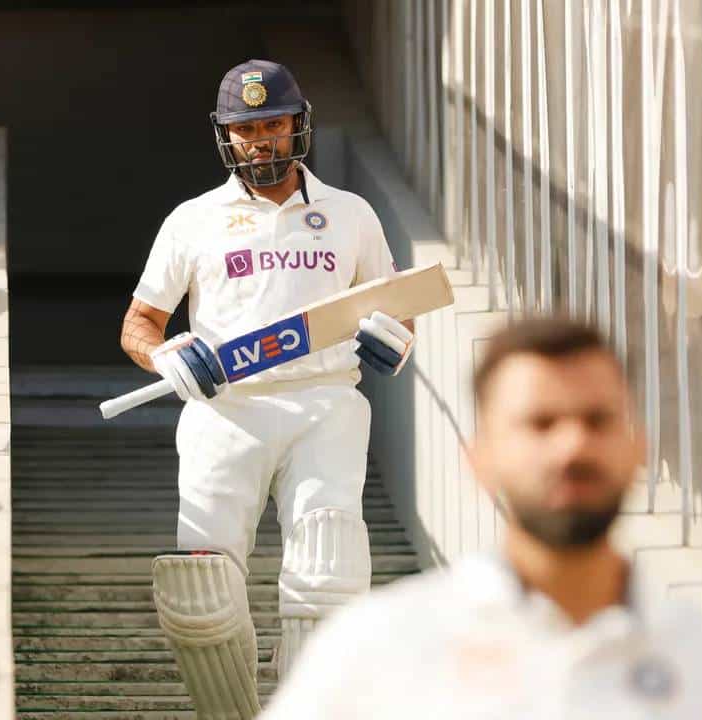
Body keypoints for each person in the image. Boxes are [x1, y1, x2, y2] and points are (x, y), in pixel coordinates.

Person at [261, 317, 702, 719]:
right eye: (540, 423)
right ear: (479, 457)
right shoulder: (377, 648)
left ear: (638, 448)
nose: (572, 446)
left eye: (597, 420)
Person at [119, 59, 415, 718]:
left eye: (272, 125)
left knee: (329, 576)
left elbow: (398, 306)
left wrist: (395, 335)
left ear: (298, 125)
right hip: (225, 410)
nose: (259, 141)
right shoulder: (193, 219)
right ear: (226, 135)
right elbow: (139, 324)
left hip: (325, 403)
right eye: (246, 129)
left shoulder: (350, 213)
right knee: (200, 591)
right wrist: (164, 355)